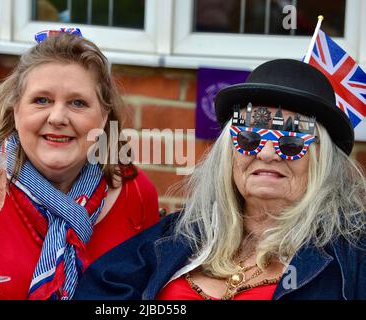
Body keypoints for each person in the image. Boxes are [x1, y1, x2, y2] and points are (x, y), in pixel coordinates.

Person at [74, 59, 366, 300]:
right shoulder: (184, 232)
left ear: (322, 160)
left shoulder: (352, 255)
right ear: (229, 153)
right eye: (250, 139)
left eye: (291, 143)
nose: (266, 153)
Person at [0, 28, 159, 300]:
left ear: (103, 117)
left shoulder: (134, 192)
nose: (57, 117)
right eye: (41, 100)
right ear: (16, 109)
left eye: (78, 103)